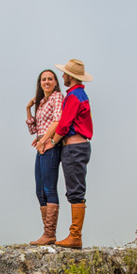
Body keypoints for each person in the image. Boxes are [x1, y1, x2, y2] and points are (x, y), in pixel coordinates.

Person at [35, 58, 93, 249]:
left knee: (75, 191)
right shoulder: (76, 94)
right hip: (74, 147)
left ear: (71, 76)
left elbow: (64, 123)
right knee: (74, 190)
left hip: (74, 147)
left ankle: (75, 236)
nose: (62, 76)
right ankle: (72, 234)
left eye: (64, 74)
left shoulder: (74, 96)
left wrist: (51, 141)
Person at [25, 68, 63, 245]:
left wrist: (45, 140)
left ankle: (50, 234)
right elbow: (34, 130)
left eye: (50, 79)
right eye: (43, 80)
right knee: (39, 190)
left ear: (55, 82)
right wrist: (28, 109)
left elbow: (57, 121)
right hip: (41, 146)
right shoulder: (41, 102)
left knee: (49, 189)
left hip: (50, 147)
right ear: (40, 83)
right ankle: (46, 233)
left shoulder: (57, 97)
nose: (46, 82)